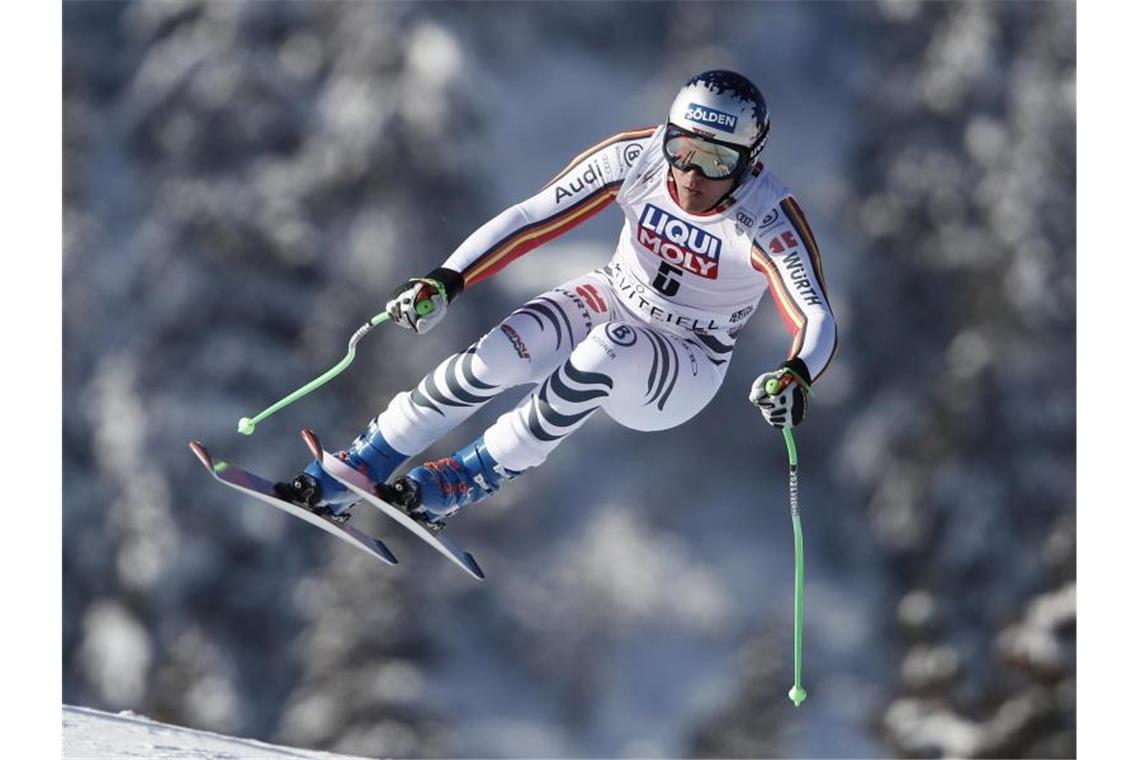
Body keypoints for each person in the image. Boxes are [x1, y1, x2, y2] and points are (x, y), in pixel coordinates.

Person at [276, 69, 838, 529]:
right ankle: (360, 464)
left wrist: (797, 374)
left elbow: (815, 314)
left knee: (610, 347)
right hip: (614, 293)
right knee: (495, 356)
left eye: (717, 163)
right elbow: (533, 217)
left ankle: (470, 475)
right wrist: (446, 279)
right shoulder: (638, 159)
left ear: (750, 161)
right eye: (682, 149)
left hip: (685, 359)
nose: (691, 175)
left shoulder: (765, 218)